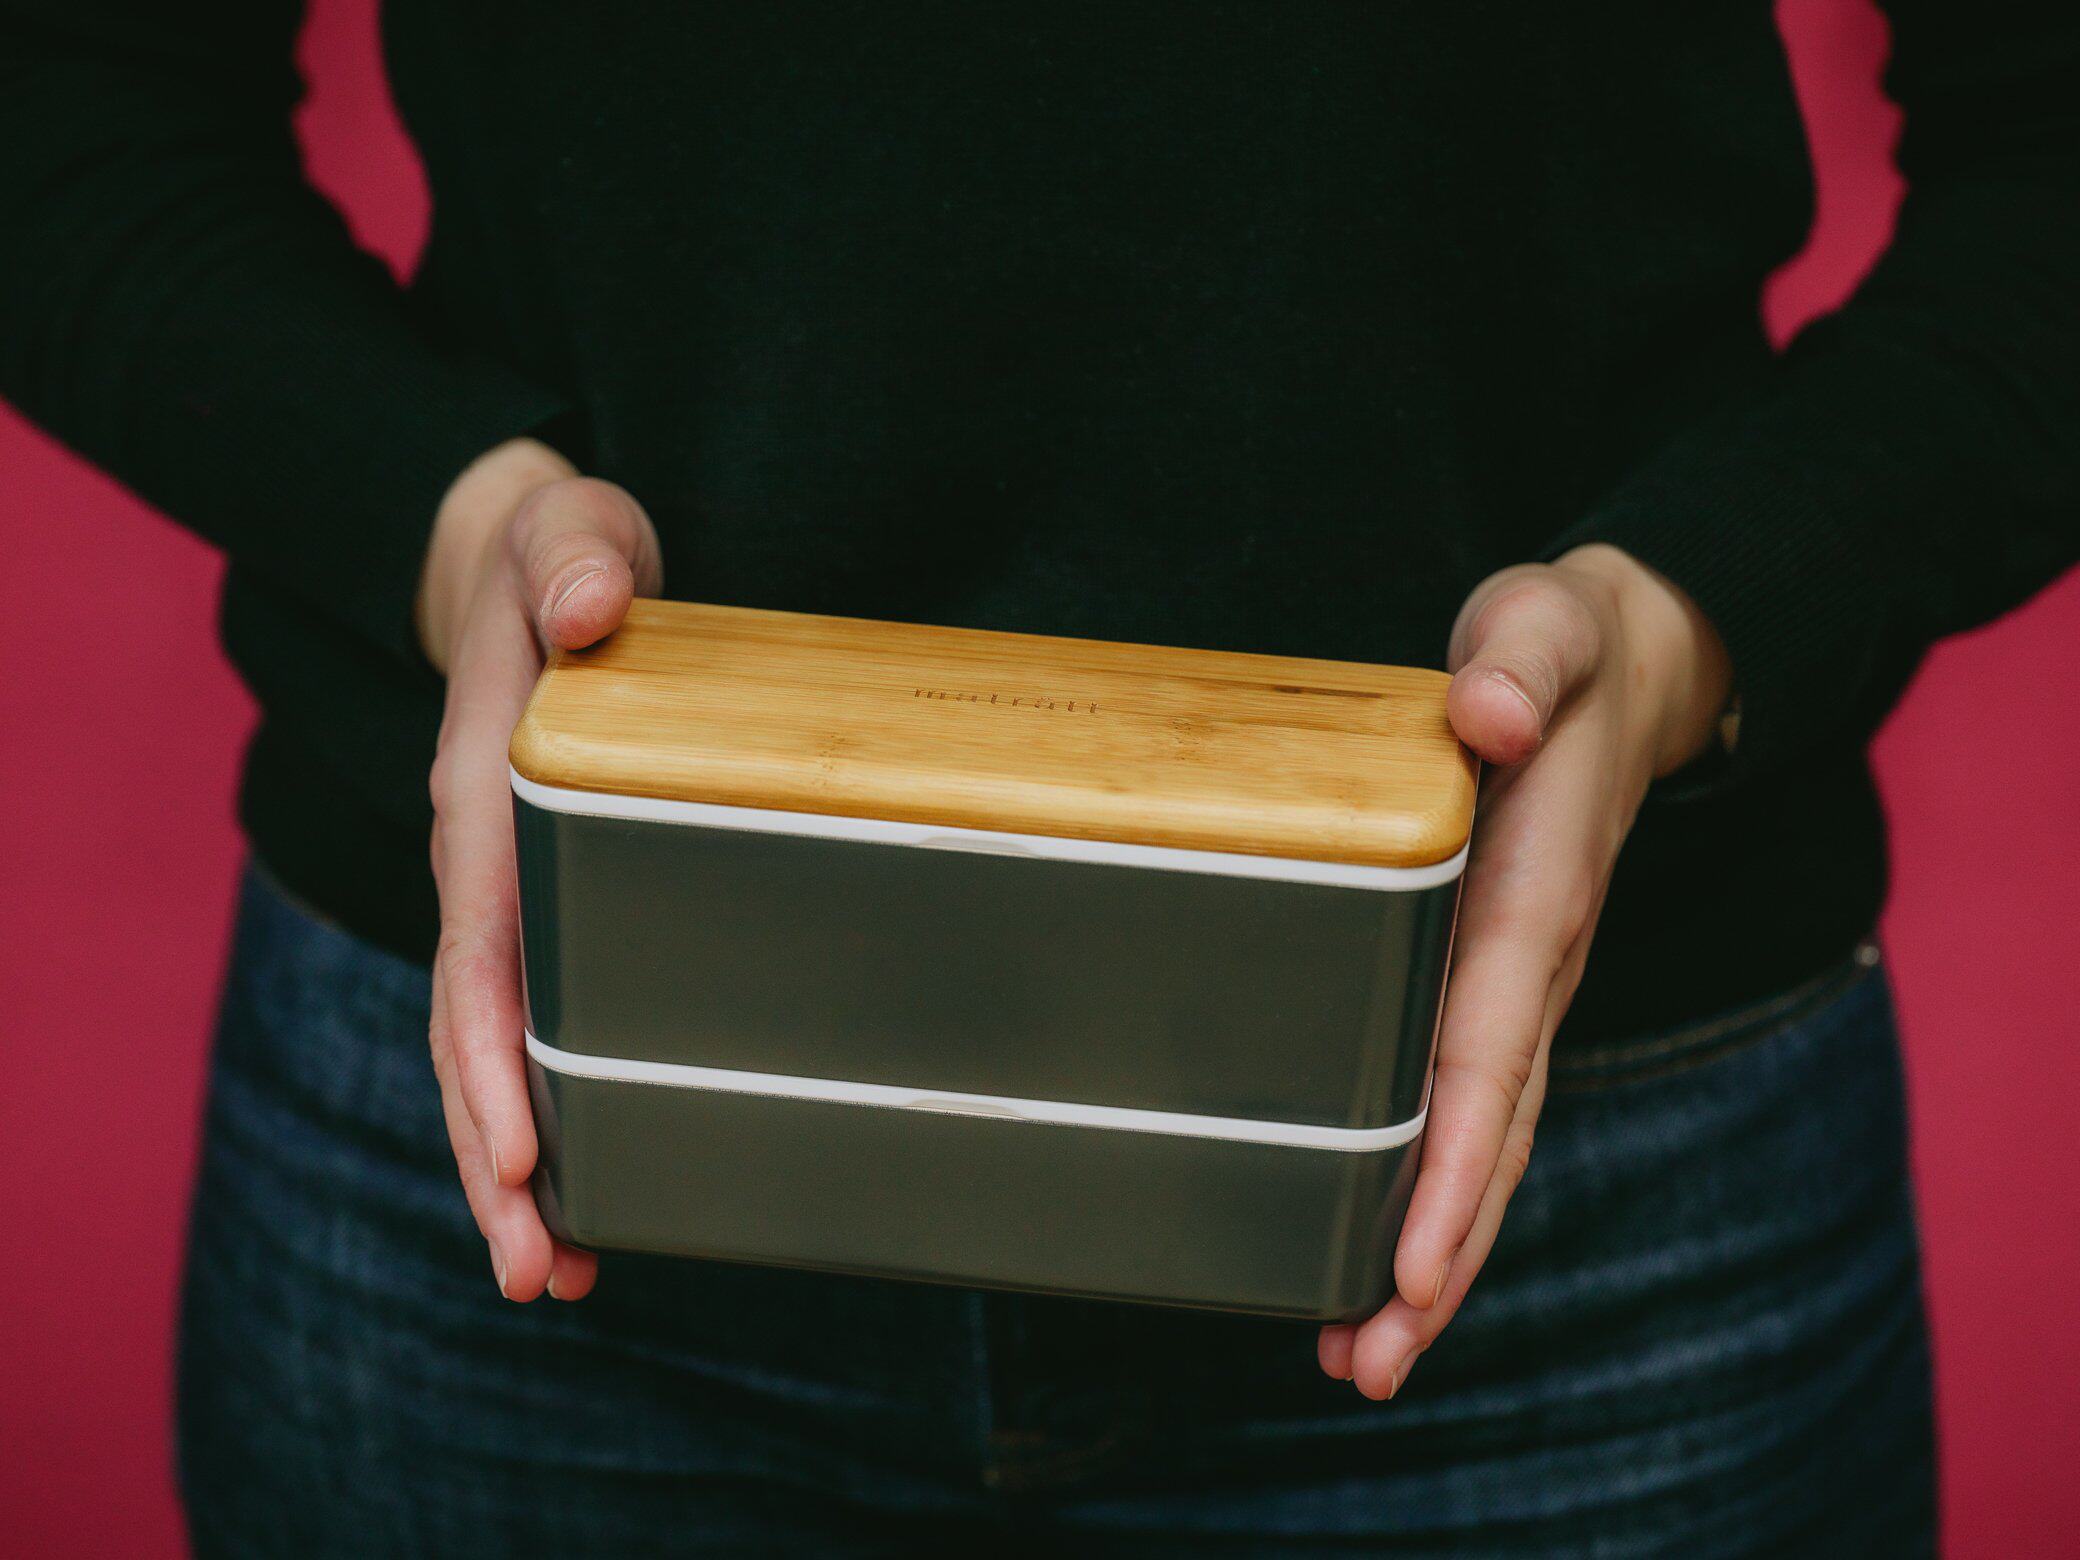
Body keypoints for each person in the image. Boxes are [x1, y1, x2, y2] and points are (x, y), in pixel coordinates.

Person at [3, 2, 2075, 1553]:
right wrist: (456, 529)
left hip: (1570, 1215)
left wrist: (1685, 623)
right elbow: (70, 95)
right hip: (532, 1152)